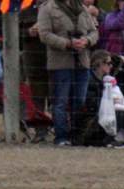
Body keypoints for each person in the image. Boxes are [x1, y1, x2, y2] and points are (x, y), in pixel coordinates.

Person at [36, 0, 98, 144]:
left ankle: (77, 135)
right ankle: (62, 137)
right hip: (60, 63)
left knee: (80, 101)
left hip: (82, 62)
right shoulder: (48, 8)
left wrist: (87, 41)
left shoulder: (82, 8)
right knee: (61, 101)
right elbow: (44, 34)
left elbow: (94, 31)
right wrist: (67, 43)